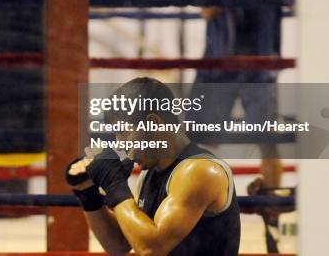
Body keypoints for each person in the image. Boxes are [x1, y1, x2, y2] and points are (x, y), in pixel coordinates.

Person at [185, 0, 298, 188]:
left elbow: (303, 6)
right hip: (218, 63)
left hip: (261, 65)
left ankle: (272, 209)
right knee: (199, 140)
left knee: (268, 139)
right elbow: (207, 11)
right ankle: (197, 208)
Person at [67, 78, 240, 255]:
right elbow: (120, 245)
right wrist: (89, 195)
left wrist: (115, 185)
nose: (119, 144)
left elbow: (151, 249)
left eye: (124, 132)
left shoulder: (200, 171)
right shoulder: (150, 173)